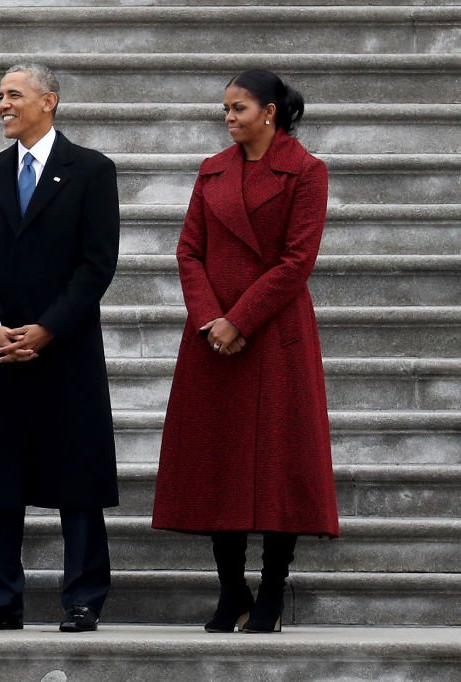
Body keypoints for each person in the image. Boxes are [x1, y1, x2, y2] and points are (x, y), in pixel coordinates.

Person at [152, 69, 340, 634]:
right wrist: (212, 318)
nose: (228, 118)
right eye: (225, 110)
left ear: (269, 113)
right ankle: (231, 589)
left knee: (279, 465)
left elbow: (296, 261)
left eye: (238, 108)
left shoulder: (306, 171)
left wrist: (240, 320)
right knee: (218, 462)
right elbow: (189, 251)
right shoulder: (212, 171)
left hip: (274, 335)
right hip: (212, 338)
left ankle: (272, 592)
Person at [0, 63, 120, 633]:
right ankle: (0, 598)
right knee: (0, 478)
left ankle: (83, 598)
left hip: (65, 350)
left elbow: (97, 264)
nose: (3, 104)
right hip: (1, 351)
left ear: (49, 101)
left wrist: (47, 329)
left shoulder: (91, 170)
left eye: (13, 95)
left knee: (77, 475)